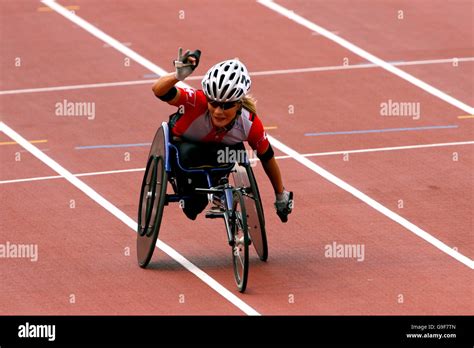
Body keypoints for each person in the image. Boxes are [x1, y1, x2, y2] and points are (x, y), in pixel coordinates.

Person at [152, 48, 293, 222]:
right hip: (183, 151)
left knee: (234, 154)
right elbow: (159, 91)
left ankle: (219, 188)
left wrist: (280, 195)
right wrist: (177, 76)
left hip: (217, 155)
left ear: (239, 104)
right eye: (214, 103)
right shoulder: (197, 101)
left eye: (227, 106)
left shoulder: (249, 123)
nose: (218, 111)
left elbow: (267, 158)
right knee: (192, 207)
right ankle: (206, 191)